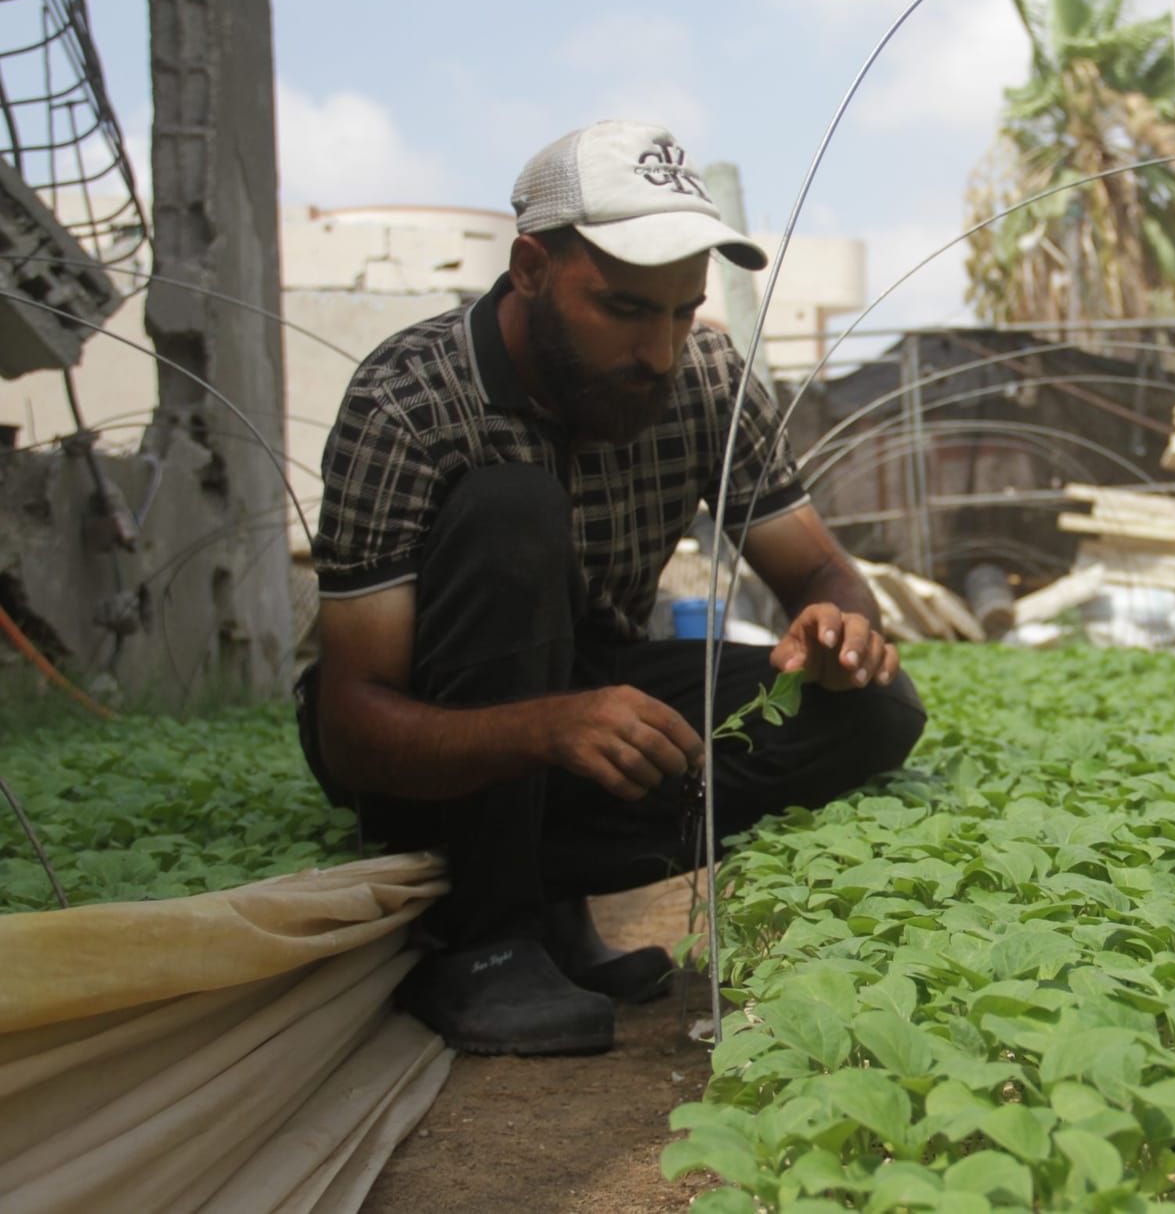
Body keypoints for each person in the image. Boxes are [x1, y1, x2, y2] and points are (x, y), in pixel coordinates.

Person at [295, 120, 926, 1056]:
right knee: (513, 510)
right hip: (425, 724)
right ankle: (484, 939)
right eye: (626, 309)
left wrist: (839, 628)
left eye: (681, 311)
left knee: (875, 714)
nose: (660, 351)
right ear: (530, 269)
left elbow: (818, 569)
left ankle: (542, 899)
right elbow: (352, 720)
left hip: (589, 683)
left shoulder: (706, 378)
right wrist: (543, 727)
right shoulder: (413, 396)